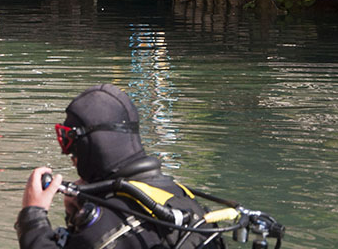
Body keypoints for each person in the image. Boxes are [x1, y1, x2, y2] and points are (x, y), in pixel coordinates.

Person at [16, 84, 223, 249]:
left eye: (72, 148)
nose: (70, 157)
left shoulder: (110, 227)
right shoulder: (182, 197)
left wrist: (32, 215)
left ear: (90, 146)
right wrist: (75, 217)